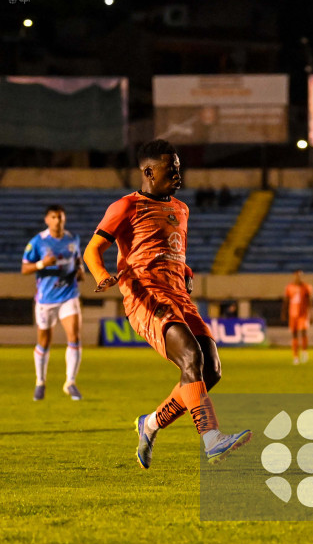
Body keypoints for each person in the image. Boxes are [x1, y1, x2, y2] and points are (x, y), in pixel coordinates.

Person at [83, 139, 251, 469]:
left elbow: (171, 249)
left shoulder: (181, 209)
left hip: (178, 295)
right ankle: (212, 438)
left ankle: (150, 424)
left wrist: (184, 271)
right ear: (148, 171)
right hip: (145, 295)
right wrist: (101, 274)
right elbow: (92, 249)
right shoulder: (126, 207)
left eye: (178, 167)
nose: (177, 172)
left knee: (211, 370)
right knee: (191, 355)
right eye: (170, 168)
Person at [21, 205, 84, 401]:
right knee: (44, 341)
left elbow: (78, 260)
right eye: (54, 217)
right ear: (47, 220)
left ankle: (70, 382)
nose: (58, 221)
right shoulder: (38, 242)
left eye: (61, 217)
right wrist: (41, 264)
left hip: (68, 295)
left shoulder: (72, 239)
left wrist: (80, 271)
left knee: (74, 335)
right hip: (46, 299)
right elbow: (24, 269)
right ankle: (40, 382)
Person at [282, 269, 313, 365]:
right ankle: (295, 357)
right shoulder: (289, 287)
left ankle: (304, 352)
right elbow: (286, 300)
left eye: (300, 275)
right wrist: (284, 312)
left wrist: (311, 314)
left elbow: (310, 301)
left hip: (303, 314)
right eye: (297, 275)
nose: (298, 277)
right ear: (294, 276)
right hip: (293, 314)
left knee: (303, 332)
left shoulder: (306, 287)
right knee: (294, 334)